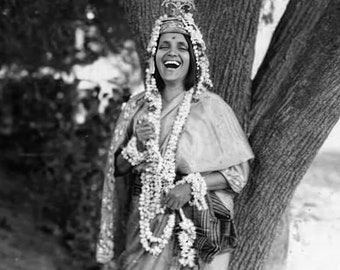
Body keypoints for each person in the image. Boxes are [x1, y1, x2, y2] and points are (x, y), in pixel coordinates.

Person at [96, 0, 254, 269]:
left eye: (182, 47)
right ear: (153, 56)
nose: (172, 53)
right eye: (164, 46)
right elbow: (117, 169)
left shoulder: (211, 106)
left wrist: (190, 186)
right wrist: (137, 145)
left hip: (192, 222)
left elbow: (238, 174)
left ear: (194, 58)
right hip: (143, 217)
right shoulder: (138, 106)